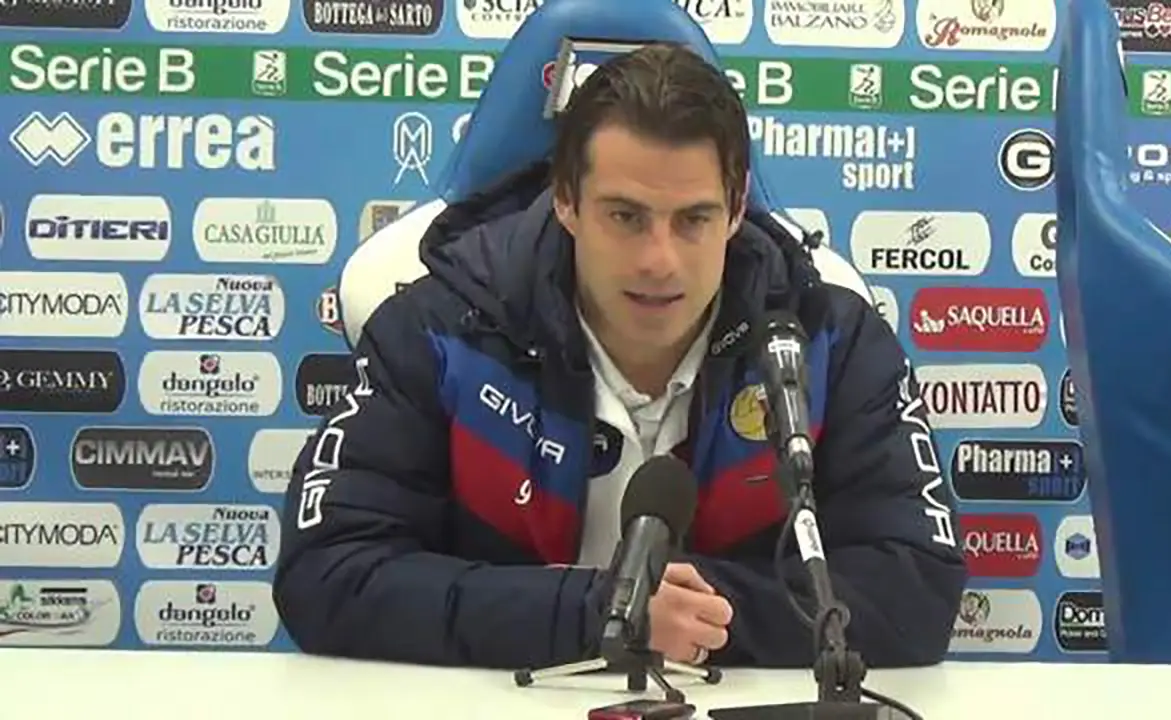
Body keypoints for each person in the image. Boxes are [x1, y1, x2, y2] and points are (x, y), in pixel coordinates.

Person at [273, 43, 966, 671]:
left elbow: (917, 590)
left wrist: (692, 616)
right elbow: (326, 574)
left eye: (693, 219)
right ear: (566, 201)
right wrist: (598, 610)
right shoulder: (438, 330)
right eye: (625, 216)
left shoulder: (830, 343)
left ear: (735, 210)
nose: (658, 260)